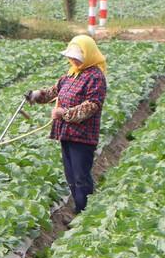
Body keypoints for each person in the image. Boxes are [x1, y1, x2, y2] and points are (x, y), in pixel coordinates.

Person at [25, 34, 107, 214]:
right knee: (71, 176)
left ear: (88, 55)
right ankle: (80, 210)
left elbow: (91, 106)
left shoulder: (95, 77)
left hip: (83, 137)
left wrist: (64, 113)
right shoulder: (70, 75)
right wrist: (37, 95)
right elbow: (54, 92)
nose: (73, 61)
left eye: (77, 58)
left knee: (80, 177)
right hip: (66, 134)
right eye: (71, 58)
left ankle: (84, 212)